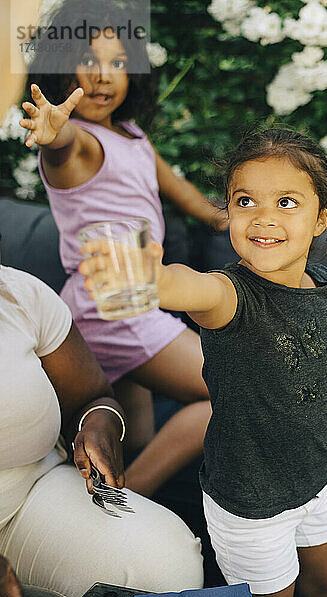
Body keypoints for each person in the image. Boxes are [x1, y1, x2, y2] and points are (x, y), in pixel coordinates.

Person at [80, 127, 327, 597]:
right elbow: (188, 285)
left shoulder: (322, 283)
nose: (263, 217)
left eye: (286, 202)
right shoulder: (229, 295)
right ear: (228, 212)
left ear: (320, 218)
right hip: (251, 506)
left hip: (319, 478)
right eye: (245, 201)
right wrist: (152, 277)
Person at [19, 0, 226, 498]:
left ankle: (108, 505)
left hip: (129, 302)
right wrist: (53, 134)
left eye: (116, 63)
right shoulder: (80, 144)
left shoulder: (133, 137)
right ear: (59, 67)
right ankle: (132, 498)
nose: (103, 76)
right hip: (114, 307)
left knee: (132, 435)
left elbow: (188, 198)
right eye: (87, 61)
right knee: (231, 395)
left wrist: (239, 221)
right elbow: (64, 142)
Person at [0, 264, 203, 597]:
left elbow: (93, 397)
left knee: (168, 562)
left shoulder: (20, 293)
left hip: (31, 489)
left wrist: (98, 423)